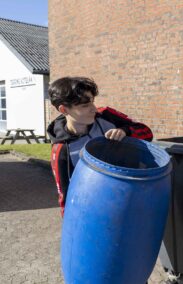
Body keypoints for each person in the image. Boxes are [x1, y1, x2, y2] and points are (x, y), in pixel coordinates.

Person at [47, 76, 153, 216]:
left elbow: (147, 133)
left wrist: (125, 131)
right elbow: (65, 196)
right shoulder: (61, 149)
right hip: (97, 210)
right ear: (64, 109)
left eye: (92, 102)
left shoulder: (106, 115)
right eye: (85, 105)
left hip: (131, 197)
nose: (94, 109)